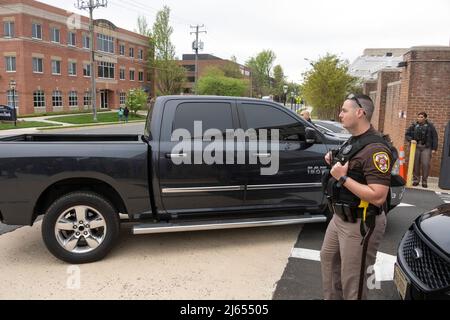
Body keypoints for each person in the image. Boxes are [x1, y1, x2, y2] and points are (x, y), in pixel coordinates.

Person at [320, 94, 395, 300]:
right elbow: (352, 168)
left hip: (360, 222)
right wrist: (334, 160)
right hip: (339, 218)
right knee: (329, 259)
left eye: (344, 110)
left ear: (360, 112)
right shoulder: (355, 141)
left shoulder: (376, 150)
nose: (340, 114)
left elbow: (378, 196)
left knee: (354, 282)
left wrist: (342, 178)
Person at [405, 112, 438, 188]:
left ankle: (424, 181)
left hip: (426, 147)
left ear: (425, 118)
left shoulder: (430, 126)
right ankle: (416, 180)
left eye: (421, 117)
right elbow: (407, 134)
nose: (419, 118)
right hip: (415, 147)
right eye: (418, 117)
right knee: (415, 164)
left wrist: (434, 148)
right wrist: (411, 140)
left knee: (425, 164)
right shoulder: (414, 125)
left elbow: (435, 137)